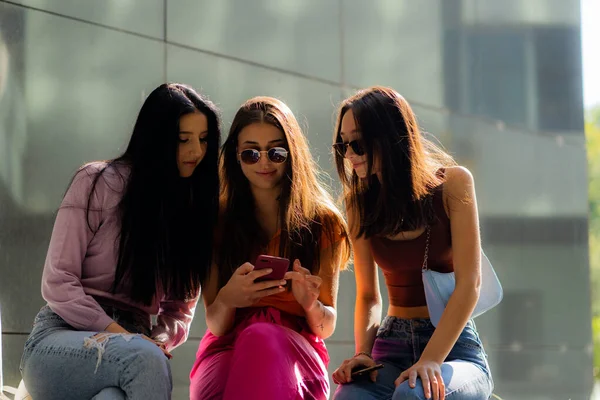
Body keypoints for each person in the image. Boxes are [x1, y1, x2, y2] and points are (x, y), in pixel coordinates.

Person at [20, 83, 222, 400]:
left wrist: (158, 340)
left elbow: (179, 310)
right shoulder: (97, 181)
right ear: (156, 138)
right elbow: (58, 281)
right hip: (60, 339)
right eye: (183, 140)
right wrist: (129, 340)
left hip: (133, 347)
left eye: (203, 140)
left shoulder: (190, 213)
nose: (196, 151)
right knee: (143, 359)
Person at [331, 86, 494, 400]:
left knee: (414, 395)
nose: (349, 155)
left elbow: (470, 285)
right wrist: (363, 353)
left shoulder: (454, 184)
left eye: (358, 143)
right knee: (349, 397)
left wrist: (431, 359)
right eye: (343, 145)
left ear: (389, 136)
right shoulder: (359, 203)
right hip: (390, 345)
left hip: (453, 347)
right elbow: (368, 296)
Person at [189, 96, 350, 400]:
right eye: (251, 153)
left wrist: (309, 304)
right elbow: (217, 324)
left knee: (260, 339)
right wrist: (229, 298)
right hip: (225, 347)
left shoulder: (323, 222)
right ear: (236, 155)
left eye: (276, 152)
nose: (264, 162)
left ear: (292, 154)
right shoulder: (214, 221)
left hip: (295, 351)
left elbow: (326, 325)